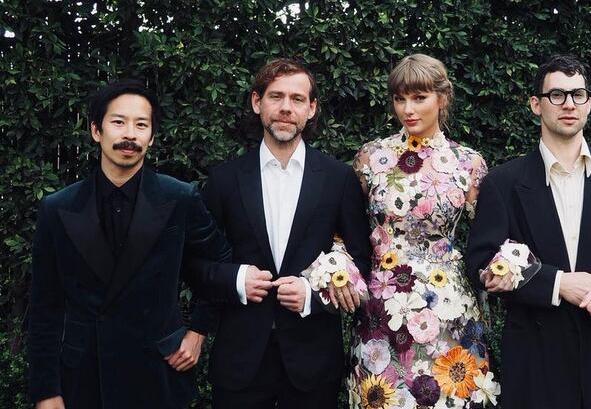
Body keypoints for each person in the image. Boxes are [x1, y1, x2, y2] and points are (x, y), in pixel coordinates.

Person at [466, 54, 591, 409]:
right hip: (537, 359)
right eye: (556, 95)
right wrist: (557, 284)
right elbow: (481, 263)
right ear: (536, 105)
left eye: (578, 95)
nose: (569, 104)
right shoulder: (503, 183)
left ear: (589, 103)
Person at [28, 80, 239, 409]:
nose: (130, 134)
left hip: (158, 372)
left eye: (141, 125)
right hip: (82, 378)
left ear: (152, 137)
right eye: (118, 122)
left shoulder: (179, 198)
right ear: (96, 130)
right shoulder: (58, 208)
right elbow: (44, 309)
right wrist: (45, 390)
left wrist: (198, 332)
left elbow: (220, 263)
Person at [188, 58, 372, 409]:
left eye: (297, 99)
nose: (286, 108)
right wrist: (236, 279)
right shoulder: (225, 180)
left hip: (312, 364)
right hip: (240, 361)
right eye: (276, 96)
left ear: (311, 109)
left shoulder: (338, 179)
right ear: (258, 103)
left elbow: (361, 261)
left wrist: (313, 293)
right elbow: (195, 264)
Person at [348, 54, 500, 409]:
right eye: (400, 99)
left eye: (419, 98)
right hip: (382, 307)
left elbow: (489, 239)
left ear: (442, 98)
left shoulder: (468, 162)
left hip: (450, 309)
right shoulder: (371, 157)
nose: (407, 109)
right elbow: (347, 232)